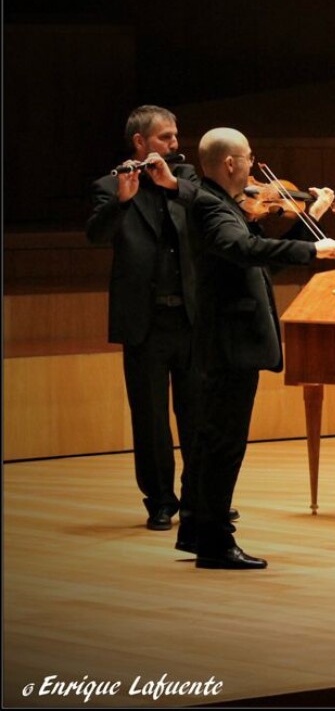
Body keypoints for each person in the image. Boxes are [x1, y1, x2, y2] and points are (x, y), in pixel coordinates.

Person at [179, 128, 335, 569]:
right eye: (249, 159)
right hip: (230, 342)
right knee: (224, 442)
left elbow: (257, 256)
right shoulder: (213, 206)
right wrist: (311, 249)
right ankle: (215, 542)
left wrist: (307, 231)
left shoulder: (222, 205)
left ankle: (197, 531)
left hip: (228, 339)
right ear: (231, 163)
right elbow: (242, 247)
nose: (254, 168)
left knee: (214, 437)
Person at [86, 106, 201, 532]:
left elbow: (209, 209)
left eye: (175, 137)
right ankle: (160, 501)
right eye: (165, 138)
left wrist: (174, 187)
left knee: (196, 415)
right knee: (150, 419)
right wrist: (122, 201)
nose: (175, 145)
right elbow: (96, 235)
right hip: (145, 323)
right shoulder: (109, 186)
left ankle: (200, 498)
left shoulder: (185, 180)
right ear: (140, 143)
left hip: (189, 319)